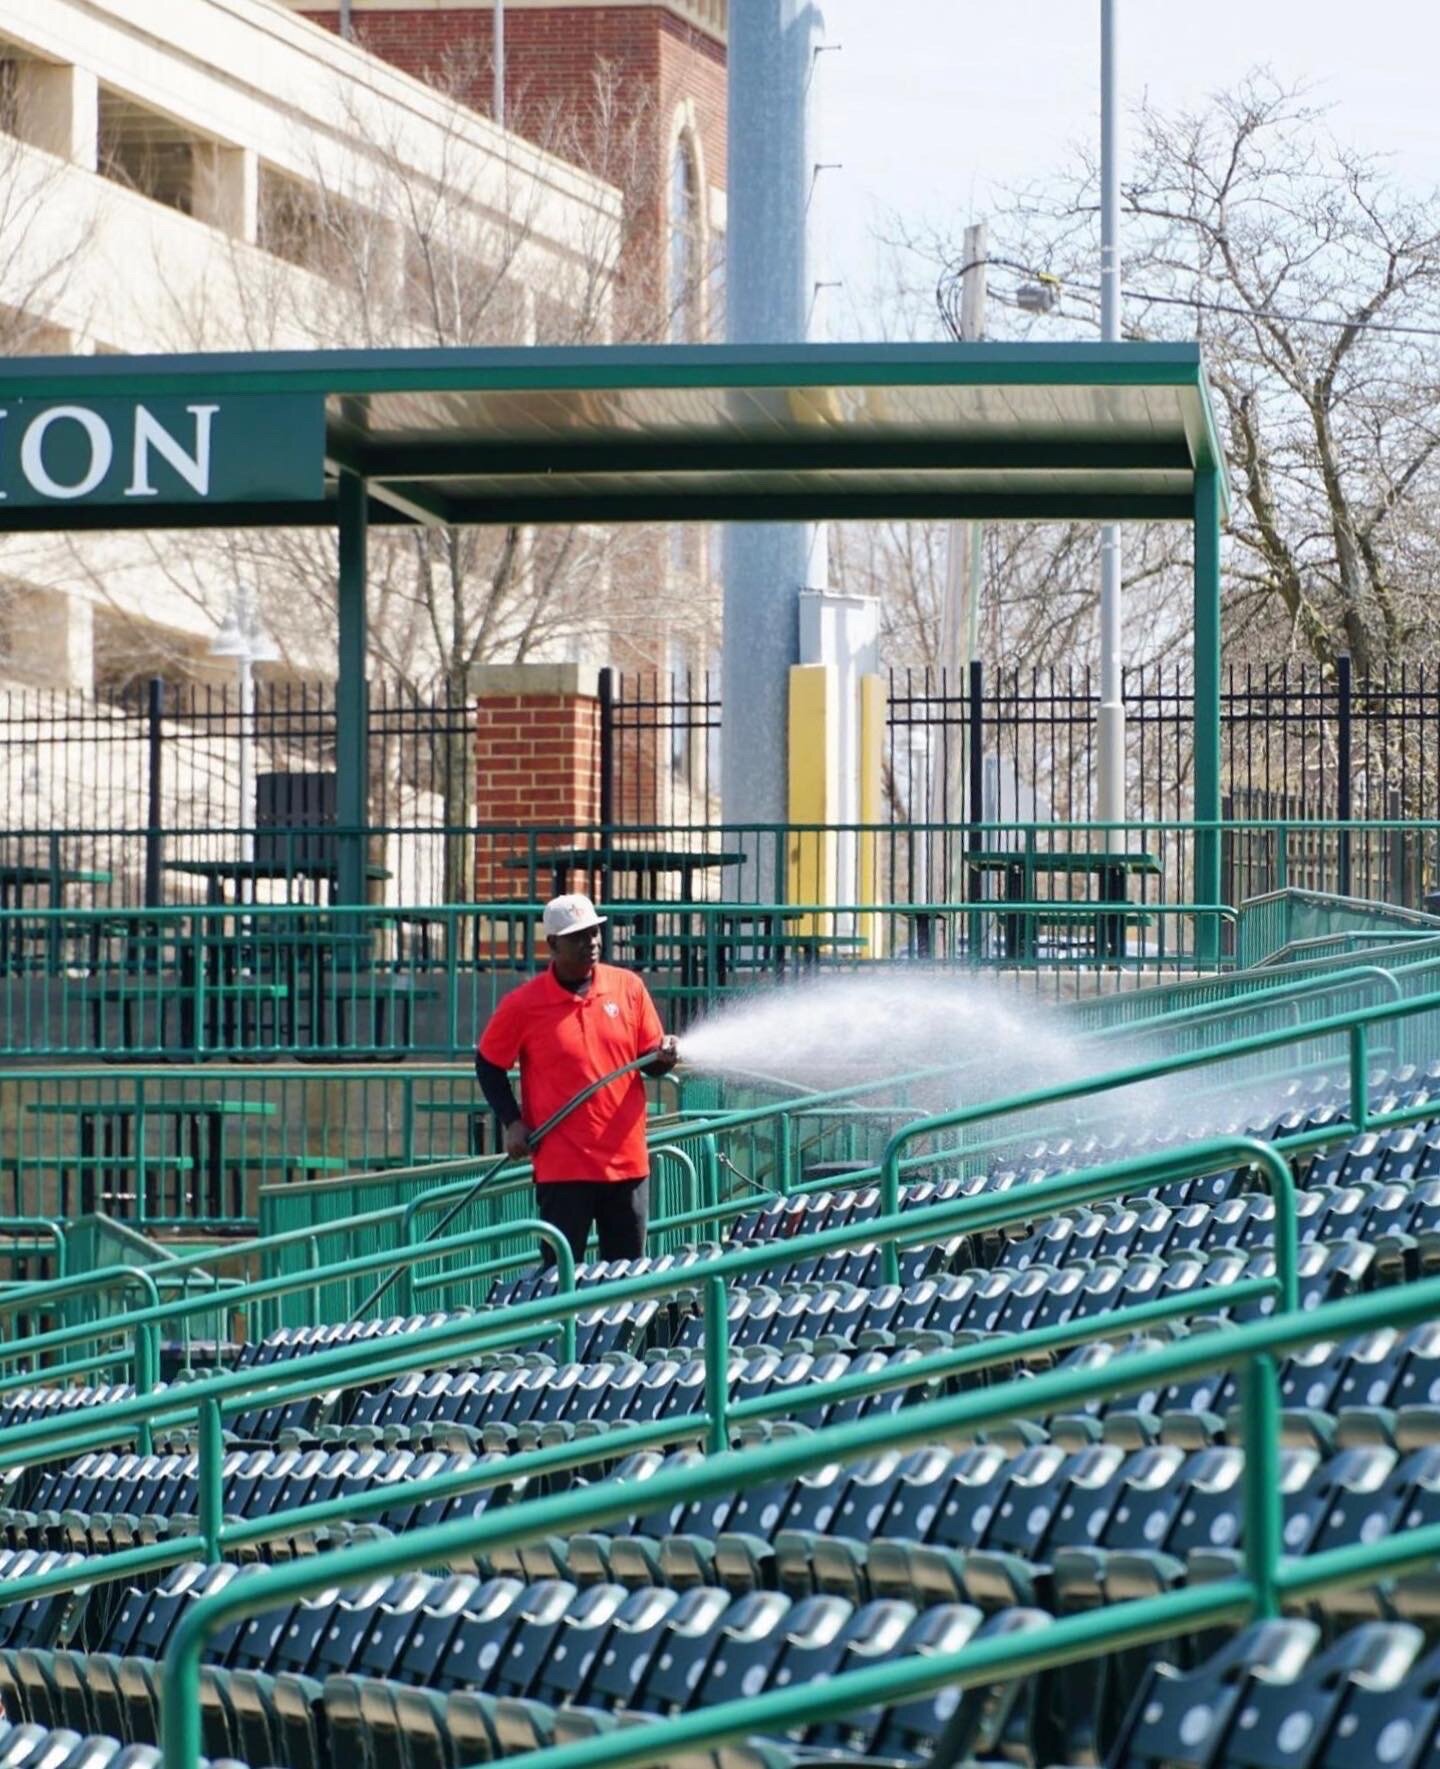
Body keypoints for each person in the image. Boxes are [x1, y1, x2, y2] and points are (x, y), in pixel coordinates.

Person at [474, 892, 678, 1266]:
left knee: (628, 1277)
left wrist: (665, 1056)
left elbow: (649, 1060)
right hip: (562, 1167)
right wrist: (512, 1121)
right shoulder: (523, 1004)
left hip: (626, 1163)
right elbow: (488, 1065)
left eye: (596, 933)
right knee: (562, 1279)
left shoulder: (627, 987)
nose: (593, 943)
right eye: (579, 937)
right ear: (553, 944)